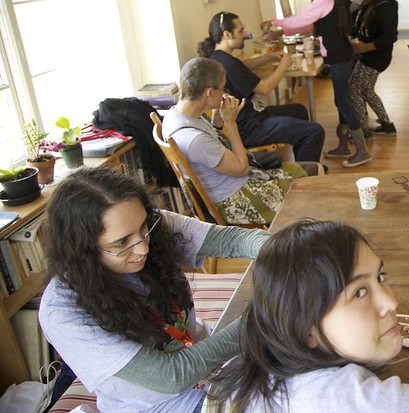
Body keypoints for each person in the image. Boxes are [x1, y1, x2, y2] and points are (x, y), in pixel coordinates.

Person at [38, 166, 271, 412]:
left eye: (144, 229)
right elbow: (172, 375)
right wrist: (264, 319)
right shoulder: (62, 312)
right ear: (82, 250)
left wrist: (284, 250)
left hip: (204, 360)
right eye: (122, 243)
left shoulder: (145, 224)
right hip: (163, 404)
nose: (143, 248)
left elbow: (233, 240)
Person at [211, 220, 409, 412]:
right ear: (306, 330)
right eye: (359, 292)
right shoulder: (394, 404)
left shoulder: (239, 373)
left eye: (380, 277)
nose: (391, 302)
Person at [163, 58, 309, 225]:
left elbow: (210, 152)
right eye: (222, 88)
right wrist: (231, 123)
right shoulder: (194, 139)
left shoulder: (176, 115)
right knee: (303, 196)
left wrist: (217, 123)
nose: (224, 93)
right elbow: (241, 168)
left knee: (301, 175)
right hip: (233, 198)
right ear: (209, 93)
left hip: (229, 183)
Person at [272, 0, 372, 168]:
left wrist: (278, 23)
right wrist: (285, 30)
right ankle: (343, 146)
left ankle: (362, 151)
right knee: (340, 101)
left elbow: (304, 18)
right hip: (341, 53)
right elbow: (311, 22)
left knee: (343, 102)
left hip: (338, 56)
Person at [199, 11, 325, 163]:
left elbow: (242, 66)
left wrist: (268, 57)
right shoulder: (230, 65)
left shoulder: (218, 57)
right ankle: (307, 175)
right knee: (314, 132)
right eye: (241, 31)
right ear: (227, 34)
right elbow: (265, 88)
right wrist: (283, 66)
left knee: (299, 110)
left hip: (250, 116)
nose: (245, 34)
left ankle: (305, 164)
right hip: (249, 128)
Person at [350, 0, 399, 138]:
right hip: (367, 54)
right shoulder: (368, 5)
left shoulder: (386, 7)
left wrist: (365, 47)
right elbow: (358, 28)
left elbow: (390, 36)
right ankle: (387, 125)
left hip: (377, 56)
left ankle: (363, 131)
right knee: (366, 90)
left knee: (353, 89)